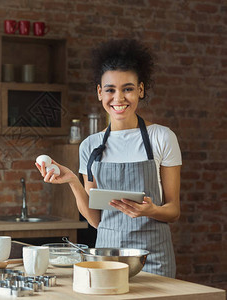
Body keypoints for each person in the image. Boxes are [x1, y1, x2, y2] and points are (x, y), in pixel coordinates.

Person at [36, 39, 181, 278]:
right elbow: (95, 220)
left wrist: (150, 210)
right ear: (99, 92)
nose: (118, 98)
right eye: (110, 89)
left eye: (128, 88)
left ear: (140, 90)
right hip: (106, 259)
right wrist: (73, 180)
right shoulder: (90, 146)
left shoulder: (162, 137)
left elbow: (173, 211)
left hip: (152, 259)